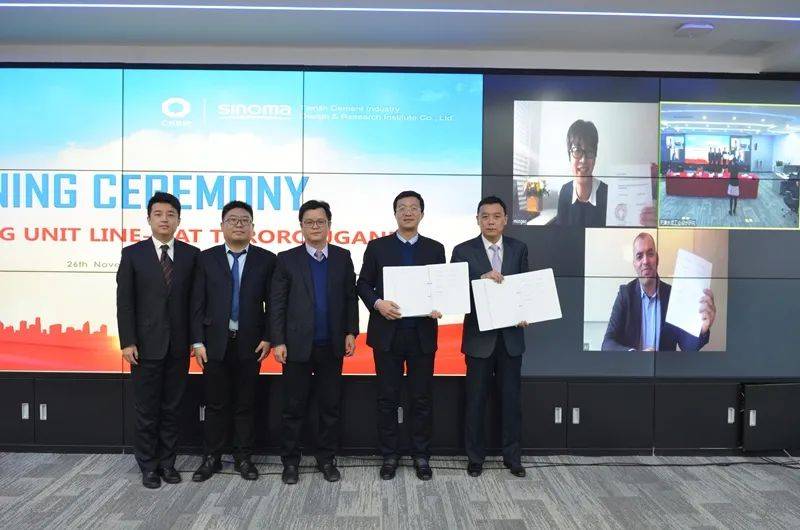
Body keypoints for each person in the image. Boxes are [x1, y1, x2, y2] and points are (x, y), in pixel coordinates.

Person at [357, 190, 445, 481]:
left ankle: (421, 455)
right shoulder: (377, 247)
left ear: (422, 213)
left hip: (422, 335)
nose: (408, 212)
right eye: (402, 208)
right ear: (395, 214)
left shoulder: (435, 248)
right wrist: (377, 303)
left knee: (422, 399)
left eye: (414, 208)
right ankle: (389, 455)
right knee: (387, 399)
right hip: (387, 336)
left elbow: (441, 288)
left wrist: (440, 304)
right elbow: (363, 284)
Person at [271, 200, 359, 485]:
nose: (315, 226)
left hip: (331, 345)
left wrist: (351, 331)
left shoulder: (343, 257)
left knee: (329, 407)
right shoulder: (286, 259)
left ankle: (326, 459)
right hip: (296, 346)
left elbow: (350, 297)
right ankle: (290, 462)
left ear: (329, 225)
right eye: (309, 222)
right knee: (293, 408)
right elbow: (277, 303)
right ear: (301, 226)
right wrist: (278, 341)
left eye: (321, 221)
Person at [116, 191, 200, 489]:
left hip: (179, 345)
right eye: (159, 214)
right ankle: (148, 466)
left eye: (171, 215)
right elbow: (125, 302)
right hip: (144, 346)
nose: (165, 219)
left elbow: (196, 303)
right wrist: (128, 341)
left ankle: (167, 463)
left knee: (172, 409)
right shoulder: (133, 254)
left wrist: (196, 340)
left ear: (179, 220)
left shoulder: (192, 255)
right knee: (147, 410)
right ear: (149, 219)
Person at [190, 201, 276, 482]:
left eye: (244, 220)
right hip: (214, 343)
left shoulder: (266, 259)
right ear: (222, 225)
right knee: (215, 404)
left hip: (251, 343)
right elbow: (196, 303)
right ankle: (211, 458)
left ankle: (243, 458)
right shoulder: (205, 258)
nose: (239, 224)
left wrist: (268, 337)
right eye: (233, 219)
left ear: (253, 227)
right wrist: (197, 341)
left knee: (245, 404)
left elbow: (273, 304)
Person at [451, 196, 529, 478]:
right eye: (485, 216)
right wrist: (479, 282)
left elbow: (524, 288)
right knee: (475, 402)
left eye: (497, 216)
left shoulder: (519, 249)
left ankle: (512, 457)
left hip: (511, 339)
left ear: (505, 219)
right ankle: (475, 458)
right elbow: (455, 295)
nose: (491, 221)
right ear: (477, 220)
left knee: (511, 401)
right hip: (478, 340)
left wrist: (525, 311)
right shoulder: (462, 251)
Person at [602, 232, 716, 352]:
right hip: (633, 364)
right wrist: (635, 355)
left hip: (664, 365)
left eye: (650, 254)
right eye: (639, 256)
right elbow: (607, 344)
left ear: (657, 259)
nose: (645, 261)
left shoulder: (672, 295)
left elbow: (687, 347)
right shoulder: (625, 295)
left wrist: (702, 330)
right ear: (634, 264)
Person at [555, 119, 608, 227]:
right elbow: (559, 233)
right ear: (569, 156)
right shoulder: (565, 192)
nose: (583, 160)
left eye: (589, 152)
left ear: (595, 157)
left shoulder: (608, 194)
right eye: (577, 151)